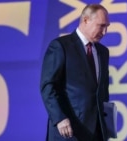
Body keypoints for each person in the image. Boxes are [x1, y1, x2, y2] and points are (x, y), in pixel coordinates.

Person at [40, 4, 110, 141]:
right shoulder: (61, 46)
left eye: (107, 26)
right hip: (68, 130)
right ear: (85, 20)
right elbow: (48, 86)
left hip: (96, 132)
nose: (105, 31)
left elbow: (102, 91)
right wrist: (59, 118)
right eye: (101, 25)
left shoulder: (103, 52)